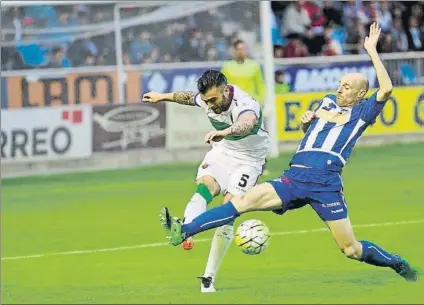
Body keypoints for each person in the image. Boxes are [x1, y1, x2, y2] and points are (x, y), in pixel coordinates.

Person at [159, 23, 418, 283]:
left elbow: (386, 89)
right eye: (340, 84)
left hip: (324, 183)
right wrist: (307, 121)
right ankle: (183, 231)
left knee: (350, 249)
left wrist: (371, 50)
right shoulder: (327, 101)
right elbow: (312, 131)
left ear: (361, 94)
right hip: (294, 177)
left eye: (347, 87)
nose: (340, 89)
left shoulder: (363, 112)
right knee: (240, 203)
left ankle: (397, 263)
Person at [142, 70, 270, 292]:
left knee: (229, 210)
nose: (209, 105)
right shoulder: (206, 99)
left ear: (226, 89)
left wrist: (226, 132)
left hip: (248, 161)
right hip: (222, 153)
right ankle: (185, 231)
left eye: (213, 100)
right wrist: (162, 96)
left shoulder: (245, 103)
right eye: (206, 101)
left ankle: (208, 278)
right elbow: (188, 97)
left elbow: (247, 124)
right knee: (205, 187)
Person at [221, 39, 266, 104]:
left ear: (246, 50)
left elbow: (260, 85)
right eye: (238, 49)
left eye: (243, 49)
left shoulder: (254, 65)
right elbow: (222, 87)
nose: (241, 51)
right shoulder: (226, 67)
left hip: (251, 102)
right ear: (234, 51)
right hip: (234, 103)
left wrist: (260, 100)